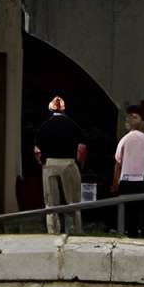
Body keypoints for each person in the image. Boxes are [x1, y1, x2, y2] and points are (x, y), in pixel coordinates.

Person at [34, 94, 85, 233]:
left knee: (51, 202)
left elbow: (37, 150)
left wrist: (41, 163)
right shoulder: (73, 125)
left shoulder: (44, 126)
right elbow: (81, 149)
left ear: (51, 110)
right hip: (68, 163)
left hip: (49, 164)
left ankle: (53, 231)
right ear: (64, 110)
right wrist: (80, 164)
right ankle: (74, 230)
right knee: (73, 200)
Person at [113, 105, 144, 237]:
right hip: (142, 179)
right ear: (143, 124)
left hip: (126, 180)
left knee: (130, 210)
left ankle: (132, 232)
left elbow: (118, 162)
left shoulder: (124, 139)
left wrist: (115, 182)